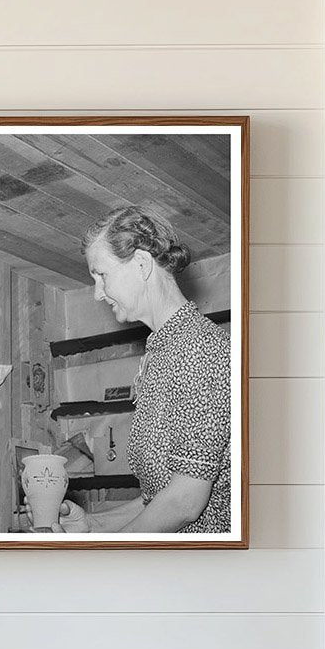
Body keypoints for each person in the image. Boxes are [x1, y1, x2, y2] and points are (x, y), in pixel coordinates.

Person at [50, 206, 231, 534]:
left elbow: (184, 503)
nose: (97, 293)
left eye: (101, 276)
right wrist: (92, 525)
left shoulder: (200, 347)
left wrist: (112, 554)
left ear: (142, 264)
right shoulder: (161, 351)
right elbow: (158, 498)